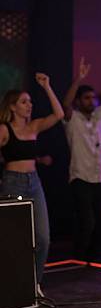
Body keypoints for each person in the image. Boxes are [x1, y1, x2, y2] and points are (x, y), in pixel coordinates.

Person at [0, 74, 64, 294]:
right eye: (24, 102)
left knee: (44, 237)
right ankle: (13, 284)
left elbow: (59, 114)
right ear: (12, 106)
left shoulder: (34, 126)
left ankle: (35, 282)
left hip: (34, 183)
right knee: (14, 238)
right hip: (12, 184)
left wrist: (47, 86)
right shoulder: (4, 129)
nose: (29, 105)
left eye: (30, 101)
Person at [62, 56, 101, 262]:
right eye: (87, 98)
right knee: (86, 221)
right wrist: (79, 78)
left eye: (93, 97)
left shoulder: (98, 115)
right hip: (80, 177)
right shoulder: (72, 118)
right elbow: (65, 103)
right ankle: (79, 257)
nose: (92, 100)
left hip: (99, 176)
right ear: (79, 100)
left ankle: (96, 258)